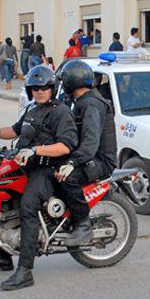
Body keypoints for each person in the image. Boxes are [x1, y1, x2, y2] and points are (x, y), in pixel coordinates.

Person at [0, 65, 78, 291]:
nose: (39, 91)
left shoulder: (61, 112)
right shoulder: (32, 109)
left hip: (48, 169)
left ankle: (25, 271)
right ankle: (3, 256)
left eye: (44, 88)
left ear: (52, 88)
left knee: (28, 207)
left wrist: (36, 150)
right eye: (34, 88)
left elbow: (66, 146)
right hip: (26, 165)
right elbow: (13, 131)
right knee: (2, 201)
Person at [55, 60, 117, 246]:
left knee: (68, 177)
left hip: (100, 161)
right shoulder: (81, 101)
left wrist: (72, 162)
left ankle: (83, 225)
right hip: (89, 156)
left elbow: (90, 142)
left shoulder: (91, 104)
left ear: (71, 81)